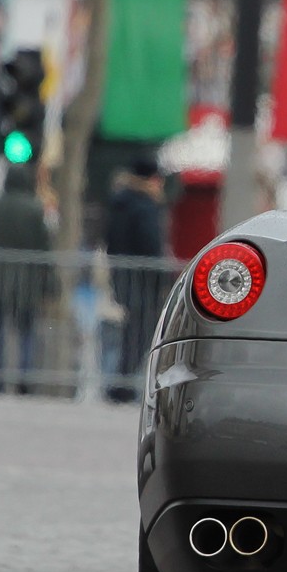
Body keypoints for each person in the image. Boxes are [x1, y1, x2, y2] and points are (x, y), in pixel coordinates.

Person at [105, 157, 167, 403]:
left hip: (123, 276)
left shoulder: (120, 202)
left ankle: (122, 382)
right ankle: (124, 384)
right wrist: (161, 278)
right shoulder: (145, 207)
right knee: (140, 333)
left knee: (130, 331)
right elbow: (151, 245)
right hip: (143, 280)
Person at [0, 162, 53, 393]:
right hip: (27, 281)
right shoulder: (35, 210)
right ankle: (24, 379)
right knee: (26, 331)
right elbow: (44, 248)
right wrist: (50, 284)